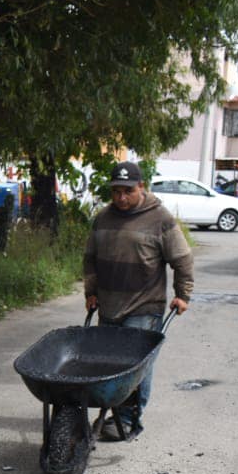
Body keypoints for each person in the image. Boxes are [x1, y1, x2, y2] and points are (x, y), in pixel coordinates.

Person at [84, 162, 193, 442]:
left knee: (134, 366)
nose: (121, 197)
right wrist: (91, 291)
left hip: (145, 306)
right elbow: (90, 259)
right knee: (108, 364)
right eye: (116, 191)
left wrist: (183, 294)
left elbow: (182, 259)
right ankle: (114, 413)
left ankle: (129, 418)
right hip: (109, 304)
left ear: (141, 187)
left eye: (128, 191)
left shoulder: (160, 218)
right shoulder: (103, 218)